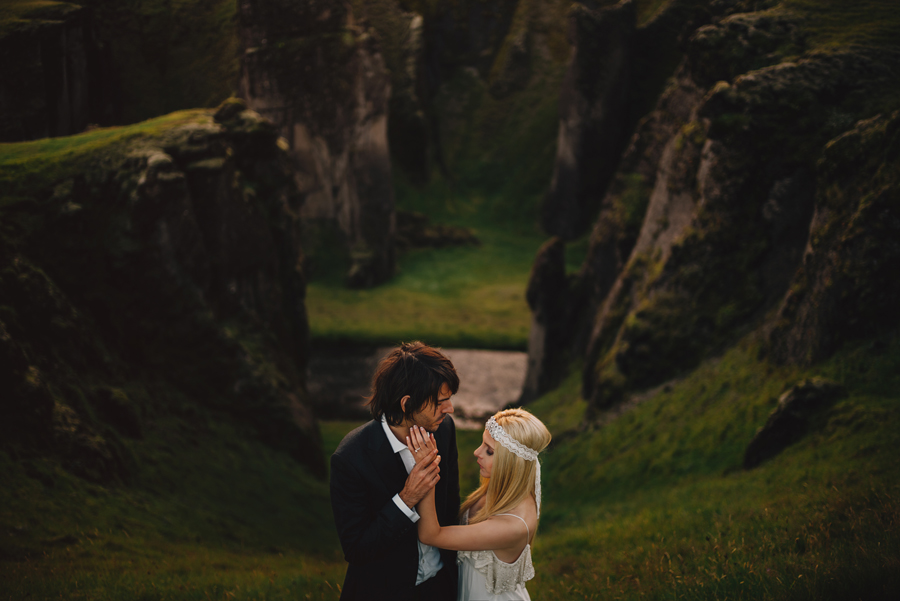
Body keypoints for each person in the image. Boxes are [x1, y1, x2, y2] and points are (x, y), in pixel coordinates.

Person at [330, 341, 461, 601]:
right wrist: (406, 498)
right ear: (407, 403)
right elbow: (357, 550)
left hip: (442, 588)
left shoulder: (444, 431)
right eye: (440, 402)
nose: (450, 409)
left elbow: (450, 508)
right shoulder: (351, 459)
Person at [408, 408, 551, 601]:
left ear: (511, 462)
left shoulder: (514, 526)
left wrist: (426, 470)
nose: (477, 452)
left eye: (489, 450)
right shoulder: (505, 487)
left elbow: (430, 535)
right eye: (482, 443)